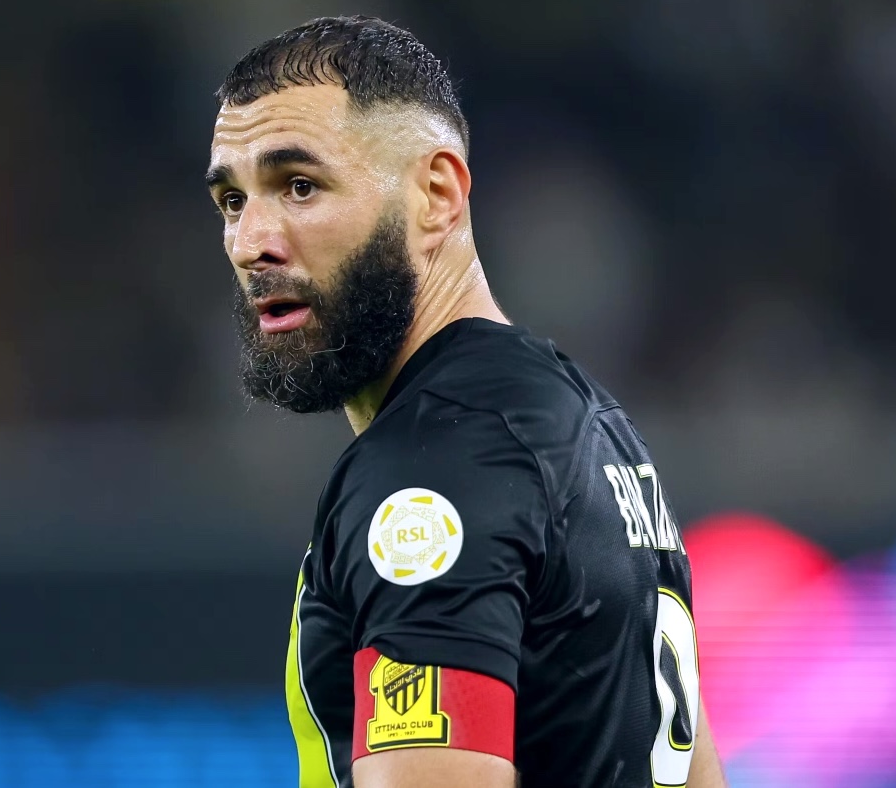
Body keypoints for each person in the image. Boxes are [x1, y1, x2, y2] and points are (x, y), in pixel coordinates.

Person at [206, 15, 726, 788]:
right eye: (231, 200)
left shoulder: (431, 473)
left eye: (300, 187)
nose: (252, 242)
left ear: (437, 194)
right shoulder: (591, 427)